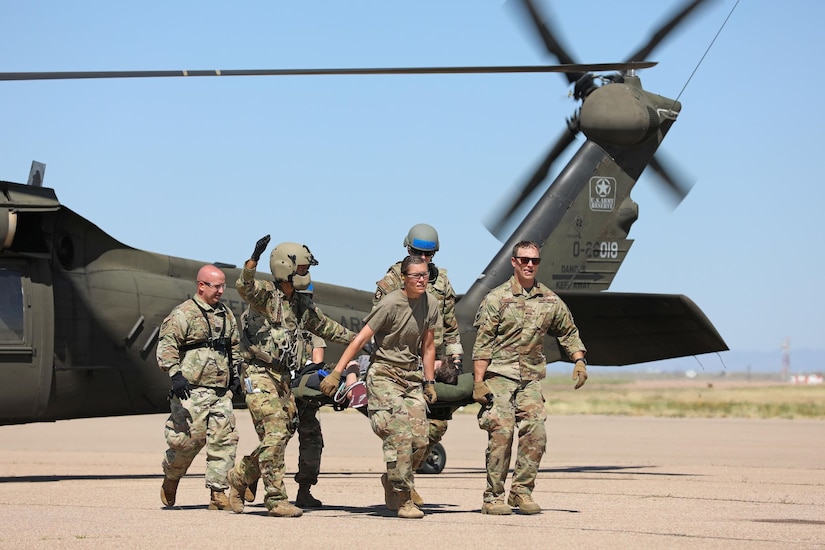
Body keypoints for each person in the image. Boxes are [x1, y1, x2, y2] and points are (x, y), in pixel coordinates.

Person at [228, 237, 356, 518]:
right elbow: (243, 287)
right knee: (274, 432)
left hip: (283, 377)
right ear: (284, 268)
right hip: (258, 373)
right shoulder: (264, 294)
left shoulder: (300, 305)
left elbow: (327, 326)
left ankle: (239, 477)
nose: (305, 274)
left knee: (282, 434)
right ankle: (275, 499)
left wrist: (360, 339)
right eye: (300, 269)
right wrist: (252, 262)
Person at [472, 240, 588, 516]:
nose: (529, 265)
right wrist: (478, 381)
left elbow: (568, 331)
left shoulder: (549, 300)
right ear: (514, 262)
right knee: (502, 432)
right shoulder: (496, 299)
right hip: (499, 375)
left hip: (530, 378)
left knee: (536, 432)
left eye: (534, 260)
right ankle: (493, 497)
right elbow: (483, 343)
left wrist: (579, 361)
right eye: (523, 259)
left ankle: (521, 492)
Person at [321, 255, 440, 519]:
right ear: (404, 279)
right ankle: (404, 496)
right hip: (384, 373)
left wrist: (429, 382)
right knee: (398, 433)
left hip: (411, 377)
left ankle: (391, 480)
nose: (422, 280)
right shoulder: (389, 304)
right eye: (416, 276)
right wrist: (336, 373)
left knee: (421, 440)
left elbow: (429, 346)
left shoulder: (431, 303)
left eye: (425, 275)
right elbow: (360, 339)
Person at [372, 223, 463, 505]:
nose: (423, 260)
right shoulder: (391, 282)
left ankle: (400, 478)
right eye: (417, 253)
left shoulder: (442, 283)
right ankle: (401, 487)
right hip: (394, 367)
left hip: (428, 365)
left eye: (429, 255)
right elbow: (377, 325)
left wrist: (453, 357)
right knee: (400, 432)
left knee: (432, 430)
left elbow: (449, 326)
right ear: (407, 250)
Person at [157, 264, 241, 510]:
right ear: (201, 285)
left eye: (224, 286)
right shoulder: (183, 314)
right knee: (188, 442)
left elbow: (234, 346)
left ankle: (218, 493)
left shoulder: (226, 314)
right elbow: (167, 345)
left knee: (224, 441)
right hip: (191, 390)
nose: (221, 291)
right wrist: (175, 374)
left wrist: (236, 374)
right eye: (216, 286)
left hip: (219, 391)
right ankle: (171, 476)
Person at [293, 283, 328, 508]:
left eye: (309, 297)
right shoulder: (274, 324)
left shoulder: (313, 331)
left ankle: (304, 491)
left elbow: (316, 363)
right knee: (275, 441)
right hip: (280, 394)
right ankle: (247, 476)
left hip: (304, 396)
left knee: (312, 440)